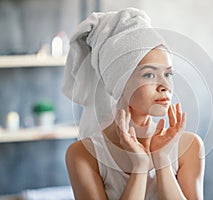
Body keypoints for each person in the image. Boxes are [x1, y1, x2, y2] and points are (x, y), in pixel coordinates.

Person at [62, 8, 204, 200]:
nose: (165, 86)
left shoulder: (189, 146)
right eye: (149, 75)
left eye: (168, 74)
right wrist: (139, 167)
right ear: (119, 82)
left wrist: (162, 161)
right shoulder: (83, 155)